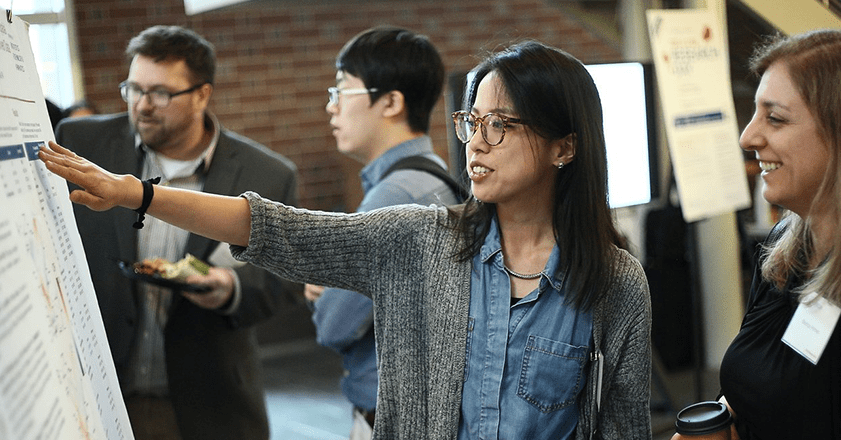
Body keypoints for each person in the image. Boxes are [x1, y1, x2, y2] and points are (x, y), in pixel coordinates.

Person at [41, 39, 652, 439]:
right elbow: (275, 227)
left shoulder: (614, 283)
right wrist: (138, 195)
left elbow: (622, 427)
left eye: (502, 125)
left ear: (565, 146)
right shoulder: (421, 240)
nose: (476, 143)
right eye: (471, 122)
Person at [54, 25, 302, 440]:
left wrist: (230, 286)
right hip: (97, 395)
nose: (142, 106)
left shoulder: (268, 175)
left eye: (161, 93)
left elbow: (288, 278)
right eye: (133, 89)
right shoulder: (82, 144)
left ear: (202, 94)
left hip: (209, 403)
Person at [673, 29, 841, 440]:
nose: (748, 137)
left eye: (776, 118)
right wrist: (723, 420)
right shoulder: (787, 248)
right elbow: (771, 381)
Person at [302, 26, 460, 439]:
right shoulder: (434, 178)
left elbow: (333, 325)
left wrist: (328, 288)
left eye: (341, 91)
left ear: (390, 102)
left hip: (393, 420)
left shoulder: (395, 195)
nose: (331, 108)